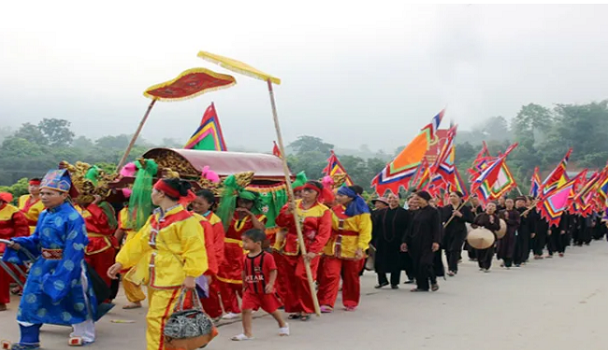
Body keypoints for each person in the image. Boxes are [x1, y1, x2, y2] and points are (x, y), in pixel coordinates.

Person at [3, 169, 103, 348]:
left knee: (76, 300)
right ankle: (29, 341)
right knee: (29, 299)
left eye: (49, 193)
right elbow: (37, 240)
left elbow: (75, 248)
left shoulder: (73, 217)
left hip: (69, 265)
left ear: (64, 195)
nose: (43, 197)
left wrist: (64, 273)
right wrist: (18, 243)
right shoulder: (44, 214)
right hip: (43, 264)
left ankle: (85, 334)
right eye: (42, 192)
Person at [108, 178, 209, 350]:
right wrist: (121, 262)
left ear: (162, 194)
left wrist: (191, 275)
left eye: (154, 191)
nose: (151, 194)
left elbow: (195, 249)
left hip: (173, 276)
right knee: (161, 319)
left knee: (158, 319)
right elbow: (140, 242)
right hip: (156, 274)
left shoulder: (186, 220)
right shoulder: (156, 217)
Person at [275, 181, 332, 321]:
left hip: (310, 248)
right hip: (291, 246)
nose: (305, 193)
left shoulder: (323, 210)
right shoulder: (292, 205)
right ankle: (295, 308)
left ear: (317, 194)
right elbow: (280, 223)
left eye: (309, 191)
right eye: (304, 190)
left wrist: (314, 250)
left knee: (302, 276)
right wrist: (288, 212)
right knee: (290, 278)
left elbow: (324, 233)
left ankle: (306, 308)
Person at [216, 176, 267, 319]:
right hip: (226, 249)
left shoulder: (259, 216)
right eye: (241, 201)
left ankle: (251, 305)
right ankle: (231, 309)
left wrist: (251, 216)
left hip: (243, 250)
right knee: (224, 281)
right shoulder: (229, 214)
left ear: (252, 204)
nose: (243, 204)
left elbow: (260, 231)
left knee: (244, 280)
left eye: (247, 202)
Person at [317, 186, 372, 312]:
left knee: (351, 276)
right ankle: (326, 302)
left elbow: (365, 232)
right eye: (338, 195)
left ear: (350, 197)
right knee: (330, 274)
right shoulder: (333, 210)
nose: (338, 197)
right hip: (333, 247)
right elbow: (327, 227)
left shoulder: (362, 212)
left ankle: (350, 301)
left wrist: (361, 247)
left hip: (352, 247)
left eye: (341, 195)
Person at [231, 229, 289, 341]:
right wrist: (244, 285)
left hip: (264, 290)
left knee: (272, 309)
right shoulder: (245, 258)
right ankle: (247, 333)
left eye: (246, 242)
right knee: (245, 309)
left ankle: (282, 324)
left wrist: (271, 284)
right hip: (250, 290)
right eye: (243, 241)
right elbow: (244, 272)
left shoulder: (267, 257)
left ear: (257, 243)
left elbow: (273, 270)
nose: (243, 245)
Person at [191, 189, 225, 321]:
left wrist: (213, 265)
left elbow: (218, 245)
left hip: (207, 259)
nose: (196, 207)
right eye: (194, 203)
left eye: (200, 204)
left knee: (208, 289)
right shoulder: (189, 216)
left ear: (210, 204)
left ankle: (215, 313)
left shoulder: (214, 222)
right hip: (192, 257)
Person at [401, 191, 442, 292]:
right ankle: (422, 286)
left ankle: (433, 281)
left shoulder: (433, 212)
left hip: (428, 242)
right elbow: (409, 228)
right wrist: (404, 241)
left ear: (425, 199)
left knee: (425, 263)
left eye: (418, 199)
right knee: (416, 264)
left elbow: (437, 228)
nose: (416, 201)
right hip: (415, 241)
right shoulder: (416, 212)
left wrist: (436, 241)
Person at [114, 188, 146, 310]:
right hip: (127, 243)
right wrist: (114, 243)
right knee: (125, 270)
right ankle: (135, 299)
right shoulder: (123, 211)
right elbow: (121, 228)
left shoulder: (147, 210)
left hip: (142, 241)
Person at [0, 192, 29, 312]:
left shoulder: (14, 212)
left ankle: (1, 301)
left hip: (6, 245)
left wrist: (15, 243)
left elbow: (22, 230)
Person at [372, 194, 409, 288]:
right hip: (381, 241)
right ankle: (382, 281)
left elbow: (407, 228)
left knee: (396, 262)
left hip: (397, 241)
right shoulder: (381, 212)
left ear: (399, 199)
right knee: (379, 261)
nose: (392, 200)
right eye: (390, 198)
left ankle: (394, 282)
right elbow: (375, 226)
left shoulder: (405, 213)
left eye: (394, 198)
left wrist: (404, 241)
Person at [440, 191, 473, 276]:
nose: (451, 198)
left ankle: (453, 269)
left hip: (459, 231)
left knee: (454, 249)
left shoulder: (464, 208)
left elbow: (471, 219)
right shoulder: (446, 208)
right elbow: (442, 218)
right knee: (447, 250)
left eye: (454, 196)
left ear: (459, 198)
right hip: (447, 231)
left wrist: (460, 215)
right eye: (450, 196)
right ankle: (449, 266)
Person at [472, 202, 500, 272]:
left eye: (493, 206)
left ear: (495, 209)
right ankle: (481, 264)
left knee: (489, 252)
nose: (490, 207)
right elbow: (473, 224)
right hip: (480, 235)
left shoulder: (495, 217)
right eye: (489, 206)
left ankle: (486, 266)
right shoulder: (480, 215)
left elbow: (498, 228)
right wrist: (478, 227)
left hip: (490, 236)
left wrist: (492, 223)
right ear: (486, 207)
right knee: (479, 251)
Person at [497, 198, 520, 269]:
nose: (509, 204)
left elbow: (517, 223)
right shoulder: (501, 212)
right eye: (507, 202)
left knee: (510, 247)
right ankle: (503, 259)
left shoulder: (516, 213)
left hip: (511, 232)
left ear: (513, 204)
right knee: (502, 246)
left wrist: (508, 219)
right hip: (503, 232)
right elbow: (498, 221)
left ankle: (508, 262)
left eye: (511, 202)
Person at [513, 196, 534, 266]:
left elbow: (532, 222)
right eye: (518, 202)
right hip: (514, 230)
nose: (519, 203)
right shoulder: (513, 210)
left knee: (523, 245)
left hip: (524, 230)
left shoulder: (528, 211)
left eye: (521, 202)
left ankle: (522, 259)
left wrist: (533, 231)